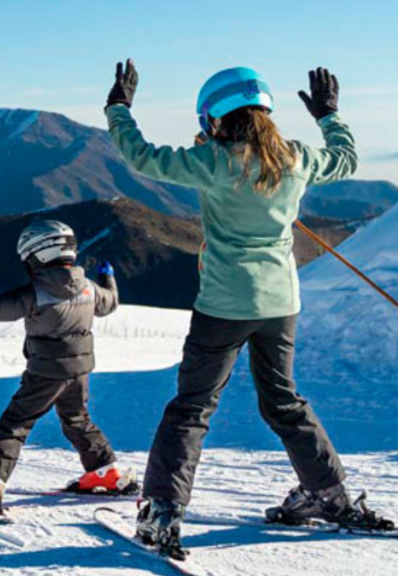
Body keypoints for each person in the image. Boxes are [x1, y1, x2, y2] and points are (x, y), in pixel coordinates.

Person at [104, 60, 394, 558]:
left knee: (191, 407)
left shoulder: (213, 163)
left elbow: (141, 157)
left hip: (224, 304)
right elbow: (344, 158)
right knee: (284, 401)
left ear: (213, 116)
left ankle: (162, 512)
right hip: (281, 303)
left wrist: (119, 108)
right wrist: (329, 115)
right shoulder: (297, 158)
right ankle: (330, 494)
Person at [0, 220, 137, 517]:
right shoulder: (88, 287)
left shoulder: (36, 291)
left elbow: (0, 309)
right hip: (80, 369)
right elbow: (109, 303)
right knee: (77, 418)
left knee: (15, 423)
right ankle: (106, 471)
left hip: (46, 372)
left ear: (38, 255)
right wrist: (108, 278)